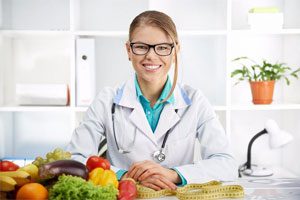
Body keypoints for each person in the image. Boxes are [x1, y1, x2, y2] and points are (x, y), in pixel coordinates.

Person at [66, 10, 237, 191]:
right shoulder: (106, 101)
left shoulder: (195, 101)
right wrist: (124, 176)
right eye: (141, 46)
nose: (151, 56)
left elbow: (226, 163)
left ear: (176, 50)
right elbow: (74, 158)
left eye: (162, 47)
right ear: (128, 50)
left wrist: (173, 174)